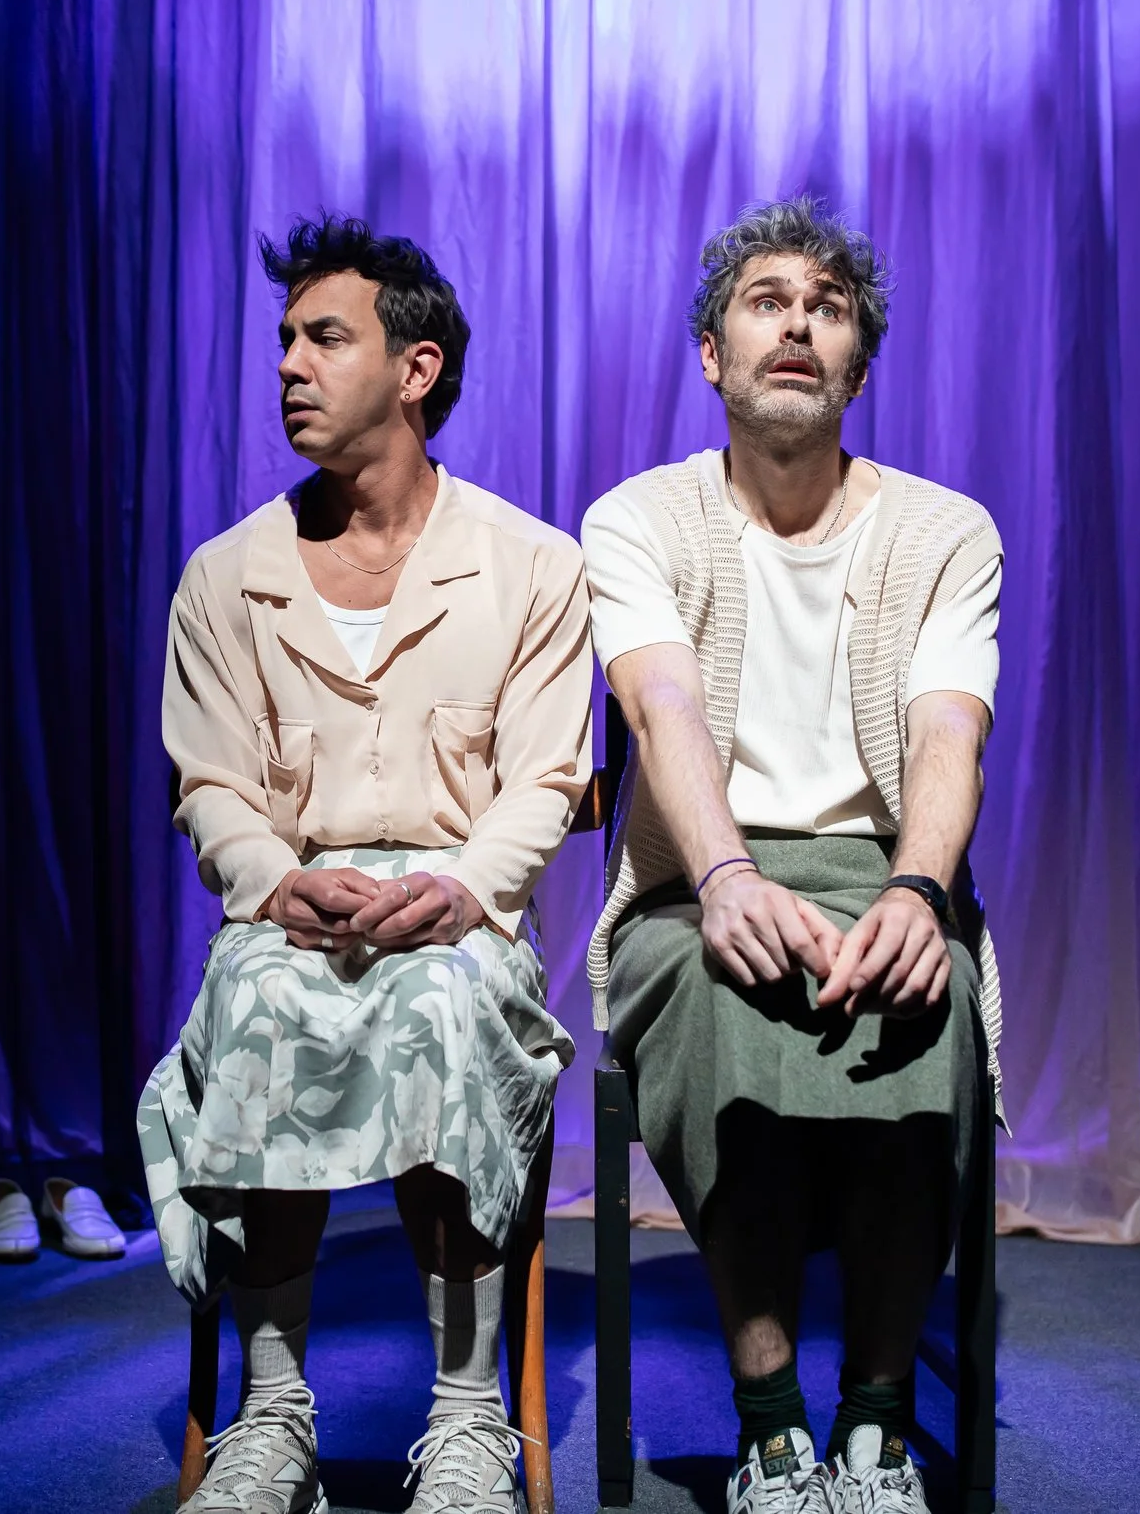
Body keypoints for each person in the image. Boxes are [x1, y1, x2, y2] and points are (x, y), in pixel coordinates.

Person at [138, 215, 589, 1514]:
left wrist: (458, 888)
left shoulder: (531, 566)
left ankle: (466, 1418)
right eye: (283, 338)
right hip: (295, 909)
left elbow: (549, 777)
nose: (288, 362)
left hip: (457, 917)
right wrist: (279, 880)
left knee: (449, 1008)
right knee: (270, 1000)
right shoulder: (227, 577)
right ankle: (271, 1415)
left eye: (322, 336)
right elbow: (209, 781)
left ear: (417, 366)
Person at [581, 196, 1006, 1514]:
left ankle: (875, 1425)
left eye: (828, 307)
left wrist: (916, 895)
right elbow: (663, 713)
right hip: (690, 880)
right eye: (770, 299)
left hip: (885, 867)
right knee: (726, 997)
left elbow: (949, 734)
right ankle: (771, 1430)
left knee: (926, 999)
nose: (800, 324)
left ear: (857, 366)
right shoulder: (639, 518)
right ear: (712, 353)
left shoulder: (946, 529)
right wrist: (725, 880)